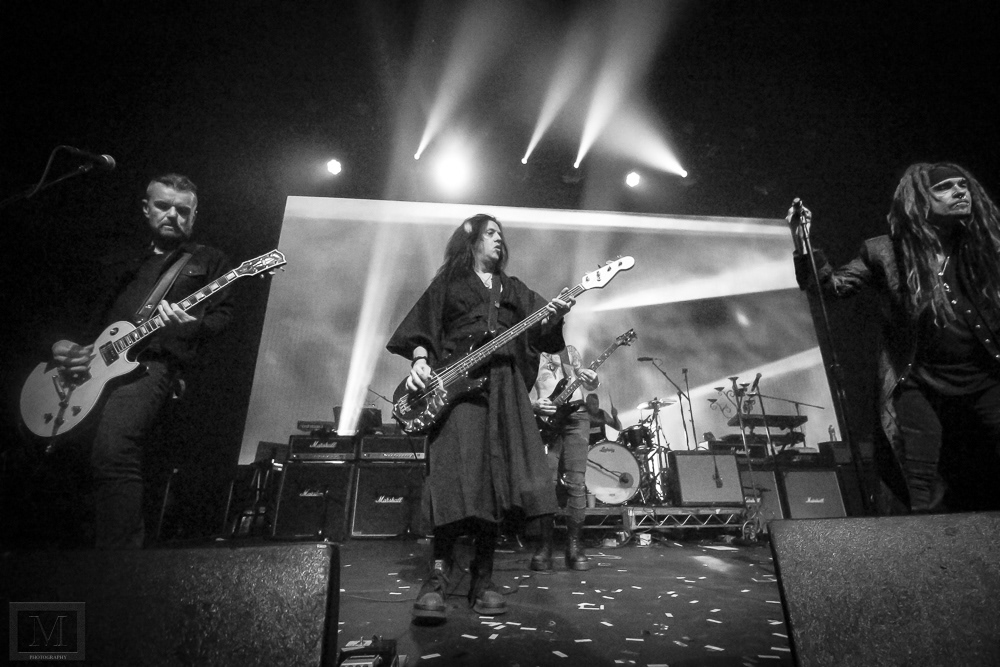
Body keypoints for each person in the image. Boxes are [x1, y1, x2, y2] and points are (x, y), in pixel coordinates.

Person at [386, 213, 574, 622]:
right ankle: (436, 578)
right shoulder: (450, 283)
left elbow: (544, 331)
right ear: (470, 240)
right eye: (491, 233)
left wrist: (556, 314)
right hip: (454, 389)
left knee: (495, 481)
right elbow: (422, 328)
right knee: (452, 476)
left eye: (502, 235)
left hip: (503, 390)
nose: (499, 240)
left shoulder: (514, 289)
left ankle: (482, 577)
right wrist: (419, 360)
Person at [789, 162, 1000, 513]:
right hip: (920, 382)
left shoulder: (986, 244)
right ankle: (926, 559)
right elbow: (830, 289)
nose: (960, 191)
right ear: (919, 201)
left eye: (962, 184)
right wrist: (803, 244)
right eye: (945, 187)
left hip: (987, 377)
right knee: (919, 483)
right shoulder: (884, 252)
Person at [45, 173, 233, 548]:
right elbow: (80, 312)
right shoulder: (120, 258)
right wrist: (62, 345)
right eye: (163, 206)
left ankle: (119, 563)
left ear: (194, 216)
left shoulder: (208, 260)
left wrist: (191, 324)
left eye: (183, 210)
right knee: (70, 461)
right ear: (146, 208)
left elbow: (222, 319)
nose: (172, 215)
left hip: (150, 366)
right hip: (87, 370)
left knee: (113, 453)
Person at [529, 346, 600, 571]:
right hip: (546, 419)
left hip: (577, 415)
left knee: (577, 483)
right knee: (545, 483)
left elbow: (586, 383)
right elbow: (516, 390)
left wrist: (594, 381)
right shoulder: (530, 352)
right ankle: (545, 546)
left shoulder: (569, 351)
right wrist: (532, 405)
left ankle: (575, 547)